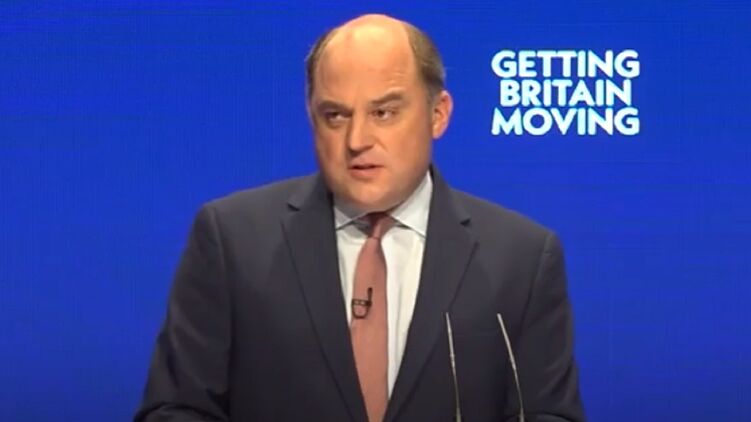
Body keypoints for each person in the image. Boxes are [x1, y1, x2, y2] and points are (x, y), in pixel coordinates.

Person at [134, 13, 585, 422]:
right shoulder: (233, 240)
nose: (357, 139)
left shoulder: (521, 258)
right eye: (335, 115)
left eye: (383, 112)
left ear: (438, 114)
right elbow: (176, 410)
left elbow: (548, 415)